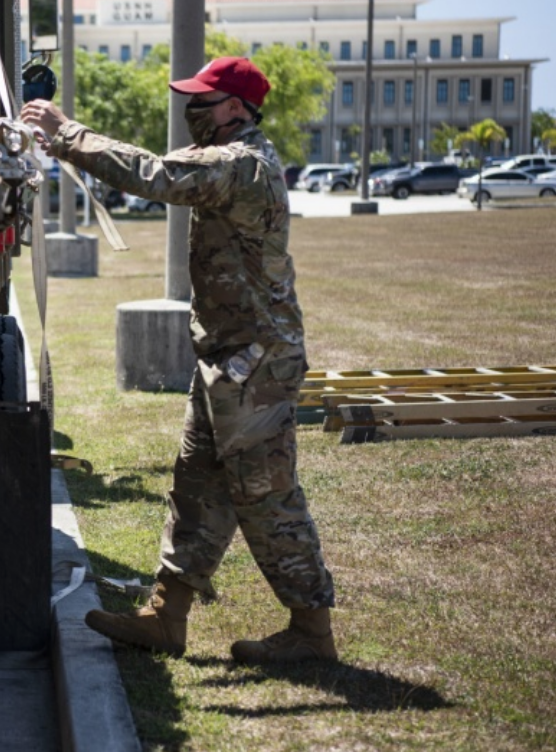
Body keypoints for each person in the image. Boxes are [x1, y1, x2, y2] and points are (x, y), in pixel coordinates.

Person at [20, 56, 337, 664]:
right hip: (227, 354)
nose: (191, 110)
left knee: (265, 495)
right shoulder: (228, 156)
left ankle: (311, 630)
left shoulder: (241, 163)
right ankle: (167, 617)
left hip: (255, 364)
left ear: (236, 109)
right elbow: (158, 168)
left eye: (203, 101)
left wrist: (68, 134)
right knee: (197, 486)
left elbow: (156, 174)